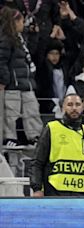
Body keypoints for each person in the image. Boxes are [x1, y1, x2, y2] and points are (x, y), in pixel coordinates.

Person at [30, 93, 84, 196]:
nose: (74, 108)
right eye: (70, 104)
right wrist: (37, 189)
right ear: (62, 108)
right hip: (55, 193)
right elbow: (37, 161)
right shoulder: (52, 128)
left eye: (78, 104)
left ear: (82, 107)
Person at [0, 6, 43, 149]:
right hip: (13, 85)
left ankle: (35, 137)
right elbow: (2, 60)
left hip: (27, 83)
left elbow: (32, 51)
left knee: (32, 110)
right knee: (11, 114)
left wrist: (35, 35)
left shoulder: (20, 38)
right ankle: (9, 138)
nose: (23, 24)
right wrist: (4, 81)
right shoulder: (6, 38)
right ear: (14, 22)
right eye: (21, 21)